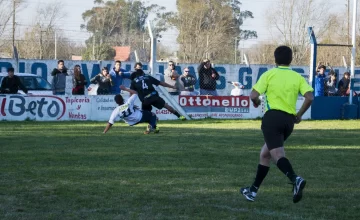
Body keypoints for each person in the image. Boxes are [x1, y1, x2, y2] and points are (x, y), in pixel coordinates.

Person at [240, 46, 314, 204]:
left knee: (277, 155)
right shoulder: (297, 77)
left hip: (272, 119)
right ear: (291, 59)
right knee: (265, 154)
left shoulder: (269, 74)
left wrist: (257, 101)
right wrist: (299, 115)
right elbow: (309, 97)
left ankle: (296, 179)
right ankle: (252, 191)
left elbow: (253, 95)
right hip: (288, 122)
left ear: (275, 59)